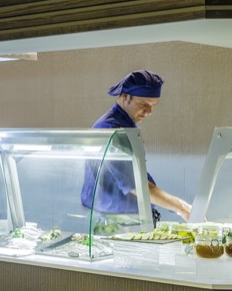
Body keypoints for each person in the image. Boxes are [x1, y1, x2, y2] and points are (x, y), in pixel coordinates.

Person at [80, 70, 191, 222]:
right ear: (125, 97)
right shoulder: (112, 129)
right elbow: (134, 184)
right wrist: (182, 208)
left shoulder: (127, 125)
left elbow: (139, 176)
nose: (149, 112)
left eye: (153, 105)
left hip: (128, 217)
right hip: (113, 221)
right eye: (144, 104)